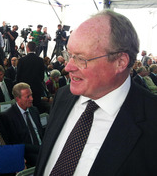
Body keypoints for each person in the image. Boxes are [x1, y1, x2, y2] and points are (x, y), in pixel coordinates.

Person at [35, 10, 157, 176]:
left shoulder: (151, 119)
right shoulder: (63, 96)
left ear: (120, 62)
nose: (68, 67)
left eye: (81, 58)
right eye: (69, 55)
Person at [2, 82, 44, 167]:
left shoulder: (34, 110)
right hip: (28, 154)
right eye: (27, 97)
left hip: (43, 149)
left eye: (31, 95)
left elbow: (41, 132)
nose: (32, 99)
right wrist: (40, 149)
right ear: (18, 99)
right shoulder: (9, 116)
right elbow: (16, 143)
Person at [16, 41, 44, 112]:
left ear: (27, 48)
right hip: (37, 87)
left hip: (25, 89)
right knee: (37, 108)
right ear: (35, 48)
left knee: (25, 108)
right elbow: (42, 76)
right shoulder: (40, 60)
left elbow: (18, 75)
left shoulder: (22, 60)